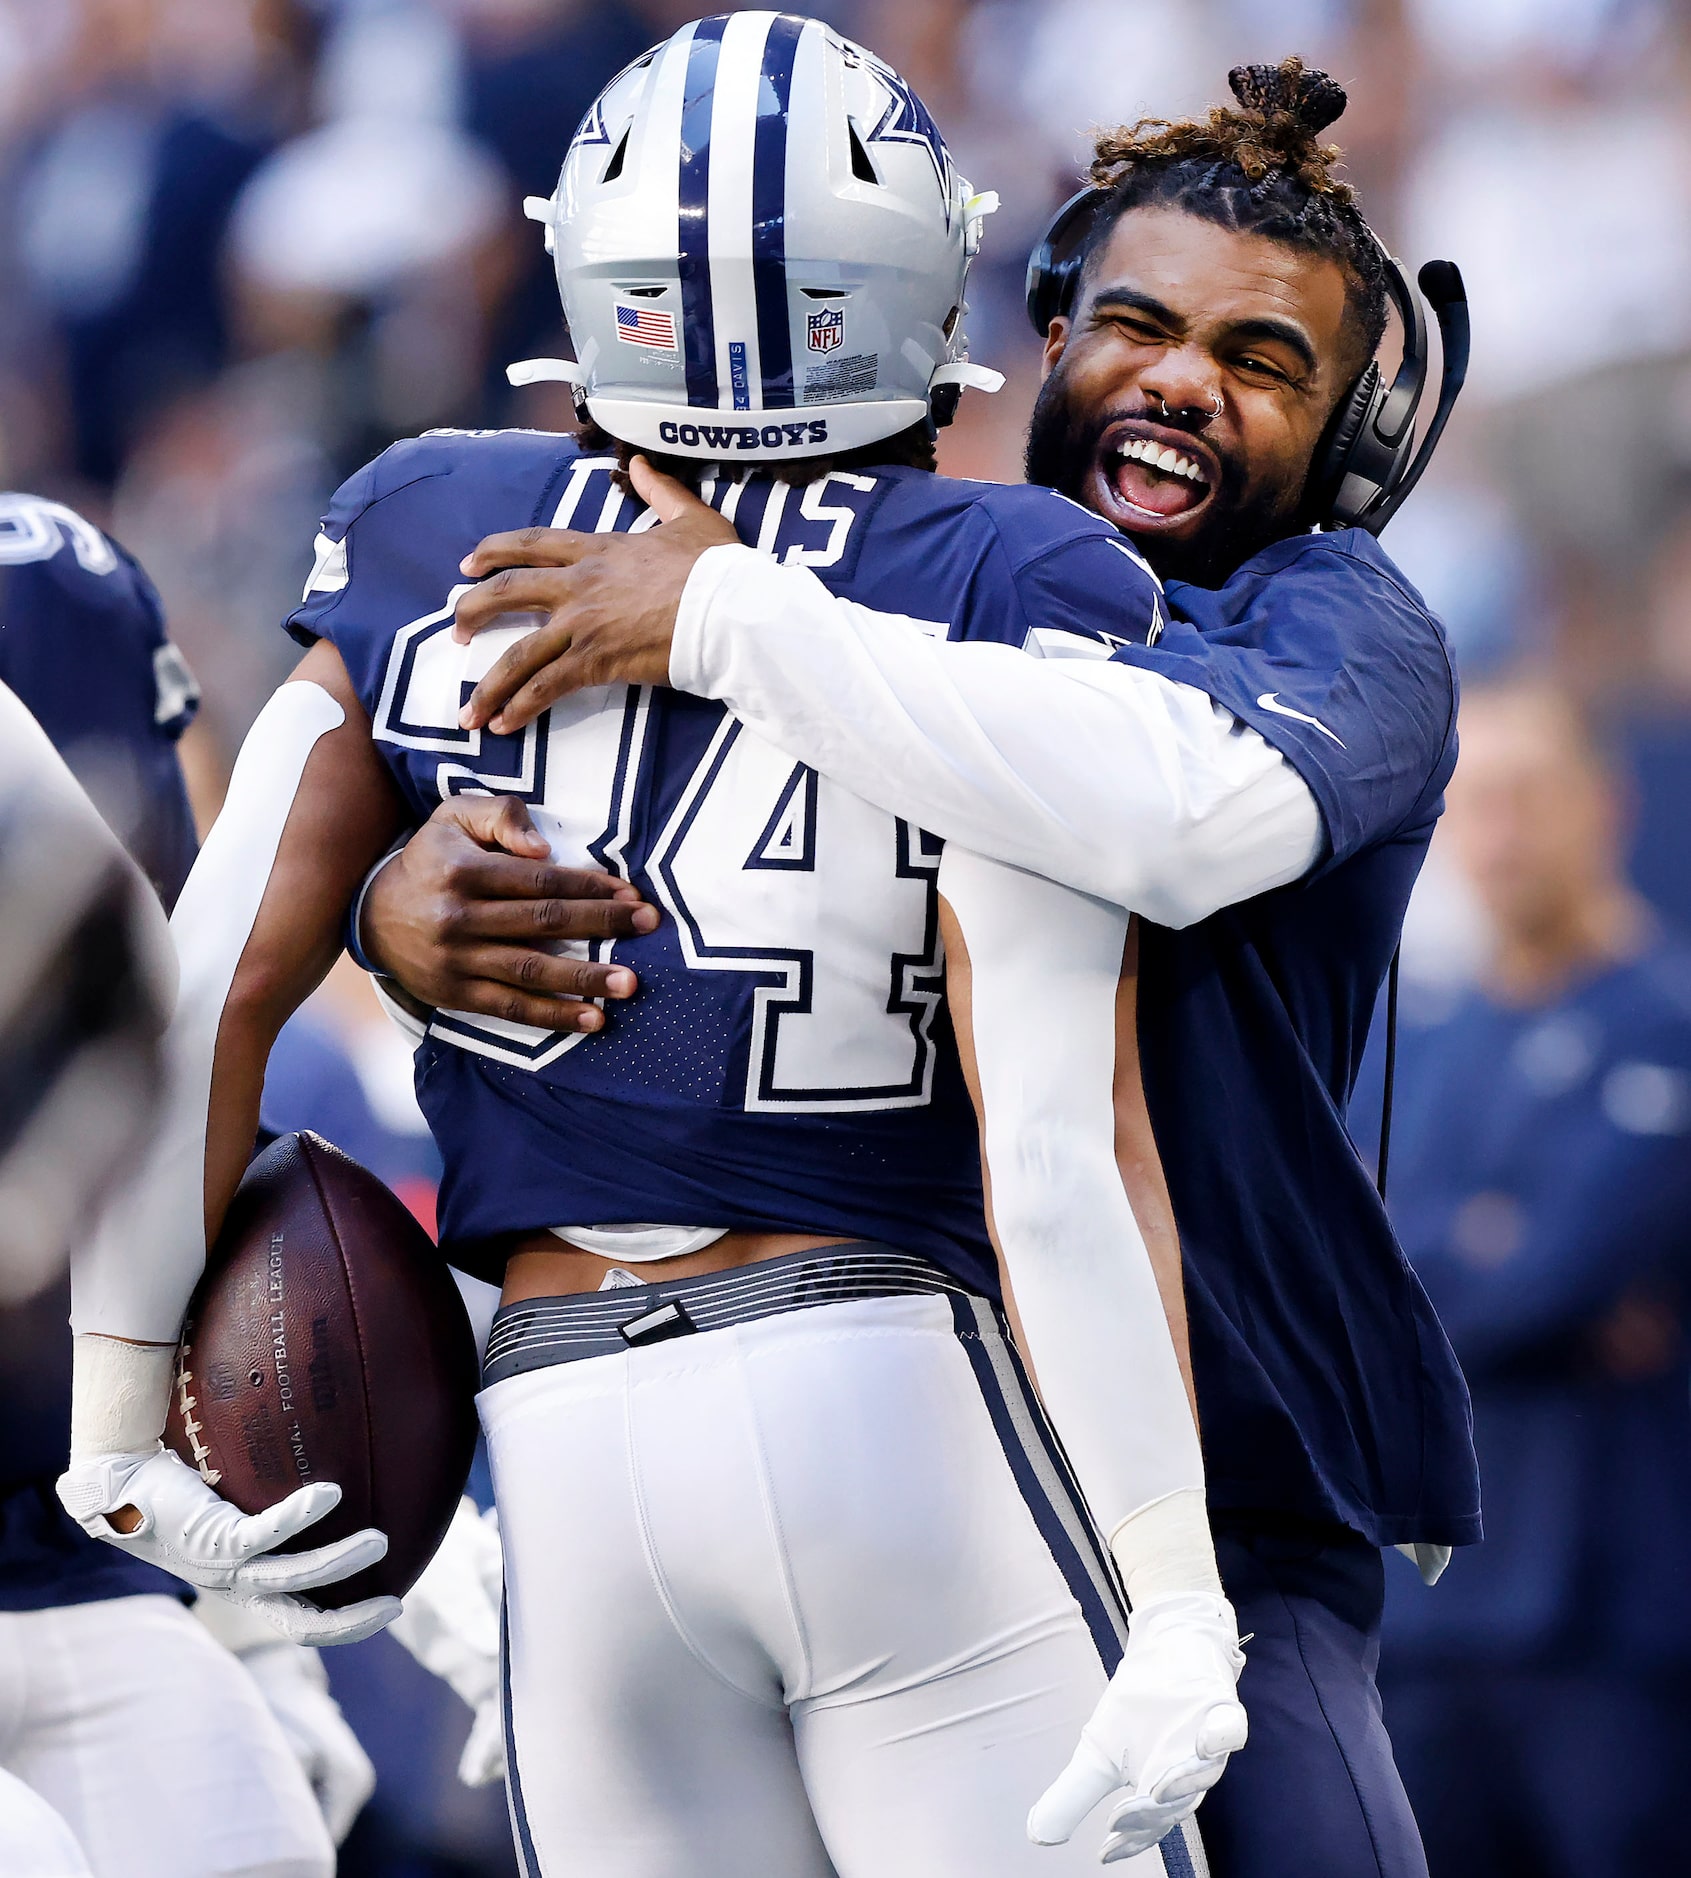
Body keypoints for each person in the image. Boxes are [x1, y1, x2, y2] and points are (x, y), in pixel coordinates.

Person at [53, 17, 1260, 1877]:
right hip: (888, 1394)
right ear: (912, 267)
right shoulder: (1013, 572)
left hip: (570, 1434)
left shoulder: (430, 519)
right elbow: (1057, 1142)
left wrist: (118, 1405)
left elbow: (202, 990)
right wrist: (1175, 1587)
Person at [370, 53, 1477, 1878]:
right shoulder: (917, 573)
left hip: (1221, 1494)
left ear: (1357, 433)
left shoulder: (1341, 620)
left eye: (1262, 361)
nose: (1182, 378)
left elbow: (1167, 804)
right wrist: (401, 914)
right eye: (1136, 324)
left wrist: (733, 619)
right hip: (888, 1448)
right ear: (1040, 337)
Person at [0, 494, 372, 1876]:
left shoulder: (57, 588)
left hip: (64, 1552)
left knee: (245, 1841)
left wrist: (259, 1640)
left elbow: (157, 1002)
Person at [1366, 683, 1691, 1878]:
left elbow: (1548, 1279)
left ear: (1603, 807)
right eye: (1472, 806)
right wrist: (1477, 1252)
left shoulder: (1663, 1026)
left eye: (1525, 799)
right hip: (1421, 1633)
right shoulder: (1412, 1043)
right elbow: (1329, 1287)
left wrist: (1424, 1261)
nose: (1495, 835)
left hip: (1609, 1634)